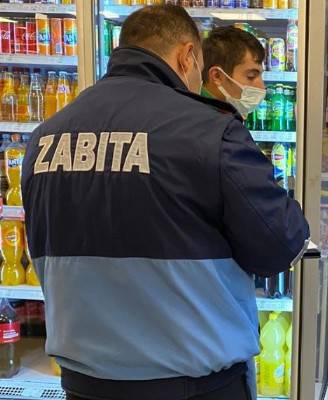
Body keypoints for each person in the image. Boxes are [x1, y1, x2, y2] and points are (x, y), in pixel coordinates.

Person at [21, 5, 309, 400]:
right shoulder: (210, 131)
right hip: (191, 384)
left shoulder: (45, 137)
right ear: (187, 56)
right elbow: (279, 245)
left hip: (84, 384)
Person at [200, 26, 266, 118]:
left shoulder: (226, 114)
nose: (262, 87)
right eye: (251, 76)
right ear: (217, 76)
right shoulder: (207, 122)